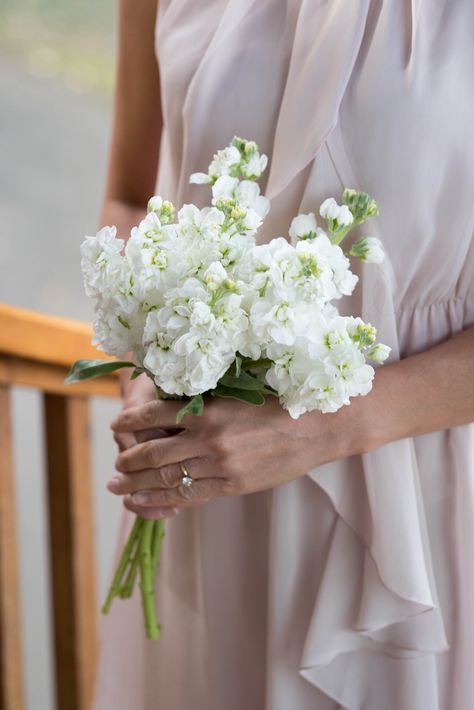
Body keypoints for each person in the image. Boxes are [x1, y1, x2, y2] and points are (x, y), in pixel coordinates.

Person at [92, 1, 474, 708]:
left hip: (432, 494)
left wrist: (328, 425)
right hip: (202, 496)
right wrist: (148, 366)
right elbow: (129, 197)